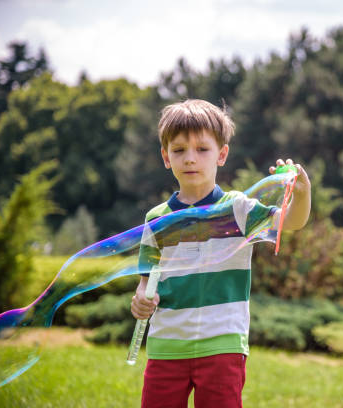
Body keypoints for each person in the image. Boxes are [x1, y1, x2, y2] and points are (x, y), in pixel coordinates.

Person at [131, 99, 311, 408]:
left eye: (202, 149)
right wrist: (141, 298)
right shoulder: (156, 219)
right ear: (165, 157)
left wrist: (302, 193)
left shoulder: (239, 209)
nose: (190, 159)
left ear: (222, 154)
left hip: (222, 344)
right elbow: (147, 276)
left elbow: (291, 222)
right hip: (167, 345)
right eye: (179, 150)